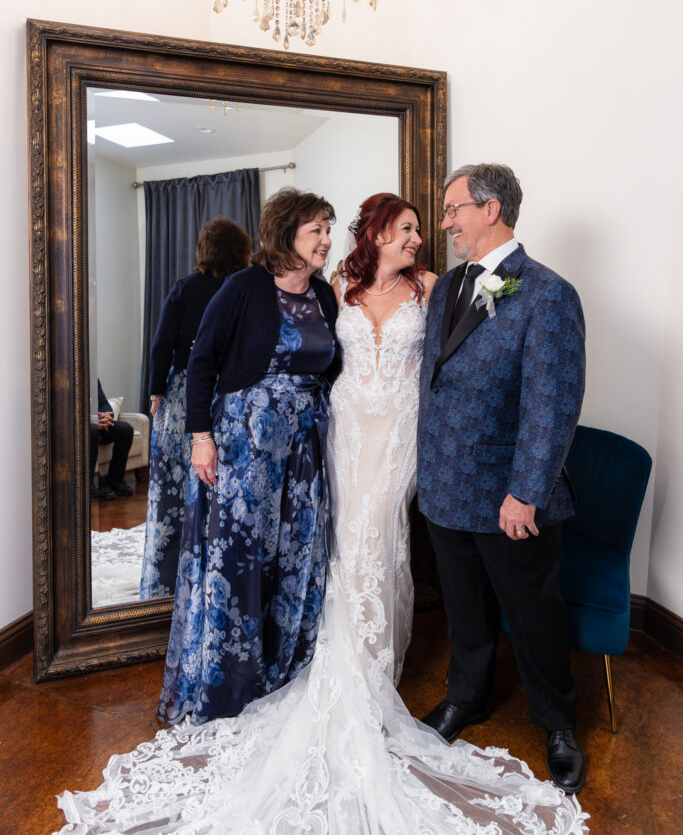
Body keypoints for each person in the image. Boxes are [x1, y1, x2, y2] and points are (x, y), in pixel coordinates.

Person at [56, 192, 588, 835]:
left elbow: (474, 374)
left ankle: (429, 687)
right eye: (409, 228)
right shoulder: (338, 286)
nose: (424, 235)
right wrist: (205, 431)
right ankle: (346, 668)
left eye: (434, 221)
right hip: (336, 437)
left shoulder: (438, 287)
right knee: (337, 548)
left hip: (397, 442)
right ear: (377, 235)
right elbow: (247, 360)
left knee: (379, 542)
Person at [418, 164, 587, 795]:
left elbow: (554, 401)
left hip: (506, 492)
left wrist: (527, 490)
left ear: (491, 210)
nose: (445, 222)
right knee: (465, 609)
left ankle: (558, 722)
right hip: (444, 484)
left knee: (534, 612)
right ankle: (467, 697)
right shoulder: (446, 288)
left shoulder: (548, 293)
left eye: (452, 208)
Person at [157, 188, 340, 724]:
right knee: (239, 563)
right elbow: (202, 363)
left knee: (293, 559)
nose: (327, 240)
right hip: (243, 447)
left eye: (329, 230)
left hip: (303, 450)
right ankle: (229, 688)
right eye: (317, 231)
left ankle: (281, 677)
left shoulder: (325, 296)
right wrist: (201, 437)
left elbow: (330, 366)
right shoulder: (243, 287)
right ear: (287, 234)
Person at [140, 216, 251, 599]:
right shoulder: (245, 289)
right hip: (228, 394)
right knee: (216, 487)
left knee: (172, 487)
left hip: (185, 393)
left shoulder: (185, 288)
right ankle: (212, 574)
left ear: (204, 250)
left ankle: (166, 578)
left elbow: (161, 344)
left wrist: (156, 393)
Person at [89, 379, 134, 500]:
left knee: (126, 429)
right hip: (76, 428)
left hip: (97, 425)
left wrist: (106, 416)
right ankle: (89, 484)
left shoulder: (92, 379)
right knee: (91, 431)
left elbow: (104, 404)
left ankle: (115, 479)